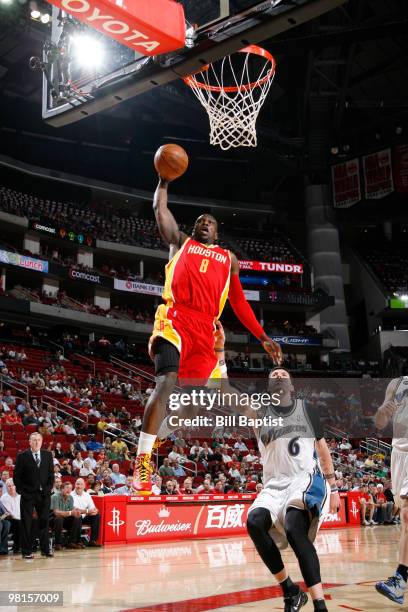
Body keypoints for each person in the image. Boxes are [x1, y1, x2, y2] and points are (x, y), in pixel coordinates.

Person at [132, 177, 283, 495]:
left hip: (206, 331)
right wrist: (162, 181)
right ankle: (142, 462)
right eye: (200, 220)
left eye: (210, 221)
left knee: (195, 404)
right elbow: (160, 210)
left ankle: (163, 430)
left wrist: (262, 336)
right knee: (167, 382)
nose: (204, 223)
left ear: (217, 231)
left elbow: (239, 302)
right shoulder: (181, 243)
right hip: (174, 320)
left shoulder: (229, 260)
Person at [215, 323, 339, 612]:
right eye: (274, 375)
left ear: (291, 386)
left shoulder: (306, 409)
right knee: (254, 521)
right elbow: (223, 389)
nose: (279, 375)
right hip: (273, 485)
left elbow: (322, 449)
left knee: (296, 529)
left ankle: (320, 604)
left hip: (303, 480)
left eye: (283, 374)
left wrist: (334, 487)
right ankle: (289, 590)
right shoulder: (258, 412)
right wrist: (220, 350)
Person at [375, 376, 408, 603]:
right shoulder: (397, 383)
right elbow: (379, 423)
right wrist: (383, 411)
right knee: (405, 521)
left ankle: (401, 578)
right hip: (399, 454)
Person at [13, 432, 54, 559]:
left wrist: (47, 489)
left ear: (42, 442)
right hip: (28, 494)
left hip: (44, 494)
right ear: (29, 442)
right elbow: (16, 476)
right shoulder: (22, 456)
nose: (36, 442)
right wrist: (21, 491)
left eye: (38, 440)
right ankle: (26, 551)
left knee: (44, 521)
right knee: (27, 522)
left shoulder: (48, 455)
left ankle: (45, 549)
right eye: (34, 440)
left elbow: (50, 475)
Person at [51, 482, 82, 550]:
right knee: (59, 518)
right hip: (52, 520)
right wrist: (71, 513)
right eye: (67, 488)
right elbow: (56, 512)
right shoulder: (55, 496)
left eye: (70, 488)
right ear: (61, 489)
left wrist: (76, 512)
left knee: (77, 517)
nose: (69, 490)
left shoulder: (70, 497)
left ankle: (72, 542)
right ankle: (58, 544)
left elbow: (71, 511)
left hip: (64, 519)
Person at [70, 478, 101, 546]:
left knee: (97, 515)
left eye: (81, 484)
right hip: (73, 517)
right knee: (78, 515)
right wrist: (88, 511)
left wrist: (95, 511)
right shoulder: (71, 495)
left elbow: (93, 508)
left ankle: (93, 540)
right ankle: (75, 541)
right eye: (78, 484)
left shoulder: (87, 495)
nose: (79, 486)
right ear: (75, 485)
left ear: (84, 486)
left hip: (84, 517)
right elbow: (75, 510)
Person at [1, 478, 21, 553]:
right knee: (17, 523)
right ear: (6, 487)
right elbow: (8, 512)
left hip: (20, 518)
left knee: (31, 522)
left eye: (13, 485)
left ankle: (30, 545)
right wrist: (18, 518)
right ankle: (17, 546)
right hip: (11, 519)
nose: (11, 487)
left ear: (15, 486)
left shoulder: (20, 496)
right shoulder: (3, 498)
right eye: (9, 486)